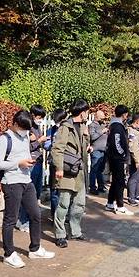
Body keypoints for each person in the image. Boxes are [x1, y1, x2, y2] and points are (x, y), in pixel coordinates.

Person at [0, 110, 55, 268]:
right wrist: (18, 163)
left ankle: (35, 248)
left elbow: (25, 153)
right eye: (24, 128)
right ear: (15, 124)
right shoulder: (4, 139)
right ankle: (9, 254)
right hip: (12, 182)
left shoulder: (25, 135)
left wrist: (29, 161)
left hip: (26, 180)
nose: (26, 132)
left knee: (35, 214)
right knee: (10, 219)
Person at [51, 99, 91, 248]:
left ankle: (75, 231)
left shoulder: (82, 127)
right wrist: (59, 168)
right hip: (67, 171)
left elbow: (83, 147)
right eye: (87, 112)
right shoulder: (65, 128)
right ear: (83, 113)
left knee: (79, 203)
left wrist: (87, 138)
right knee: (63, 204)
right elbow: (57, 149)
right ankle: (60, 234)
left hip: (79, 170)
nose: (88, 114)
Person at [17, 104, 49, 232]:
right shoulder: (26, 129)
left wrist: (44, 143)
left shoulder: (37, 128)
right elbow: (24, 147)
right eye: (39, 117)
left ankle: (30, 219)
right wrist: (38, 141)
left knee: (35, 194)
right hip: (29, 164)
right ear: (33, 115)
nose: (40, 120)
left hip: (38, 162)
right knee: (27, 194)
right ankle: (22, 221)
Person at [105, 105, 133, 215]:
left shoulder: (117, 125)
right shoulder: (117, 126)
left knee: (115, 181)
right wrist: (122, 154)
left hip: (115, 157)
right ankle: (120, 205)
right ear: (124, 114)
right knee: (120, 182)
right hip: (117, 158)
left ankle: (110, 203)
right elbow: (116, 143)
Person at [47, 108, 67, 219]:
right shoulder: (52, 130)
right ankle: (54, 214)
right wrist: (53, 146)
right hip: (53, 163)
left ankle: (64, 215)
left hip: (65, 164)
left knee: (64, 191)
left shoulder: (69, 130)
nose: (57, 124)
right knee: (54, 190)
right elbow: (46, 144)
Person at [88, 109, 108, 195]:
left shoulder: (103, 124)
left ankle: (101, 186)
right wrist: (102, 131)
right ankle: (92, 187)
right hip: (96, 150)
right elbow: (92, 137)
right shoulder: (92, 125)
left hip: (104, 151)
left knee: (100, 170)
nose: (103, 119)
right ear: (97, 117)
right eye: (101, 118)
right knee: (94, 169)